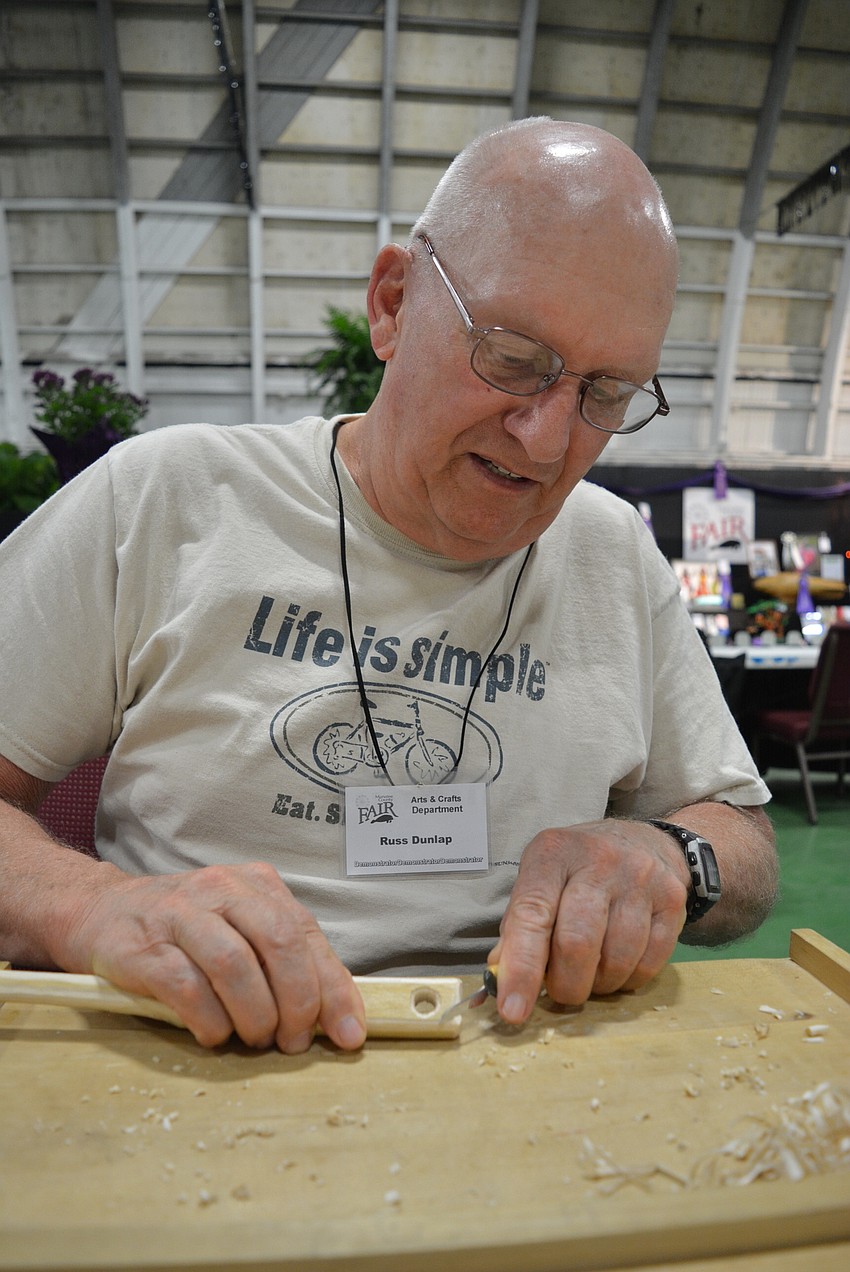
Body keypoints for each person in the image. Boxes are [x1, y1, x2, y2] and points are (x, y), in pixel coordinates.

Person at [0, 117, 777, 1056]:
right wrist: (95, 910)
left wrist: (668, 852)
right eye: (513, 357)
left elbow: (742, 841)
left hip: (528, 1070)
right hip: (212, 1055)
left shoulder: (611, 550)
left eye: (605, 393)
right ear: (393, 303)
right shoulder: (167, 499)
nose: (545, 437)